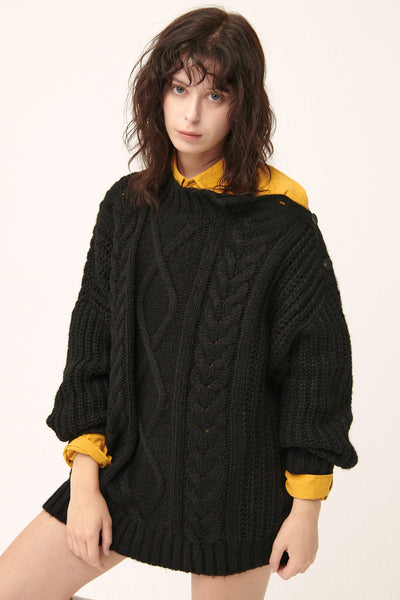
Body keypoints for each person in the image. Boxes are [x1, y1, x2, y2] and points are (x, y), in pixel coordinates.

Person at [0, 7, 358, 600]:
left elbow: (316, 374)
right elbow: (91, 350)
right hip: (124, 473)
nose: (192, 114)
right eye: (179, 88)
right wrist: (85, 485)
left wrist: (306, 510)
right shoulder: (125, 208)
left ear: (244, 106)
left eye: (215, 95)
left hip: (236, 495)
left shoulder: (283, 222)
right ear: (156, 93)